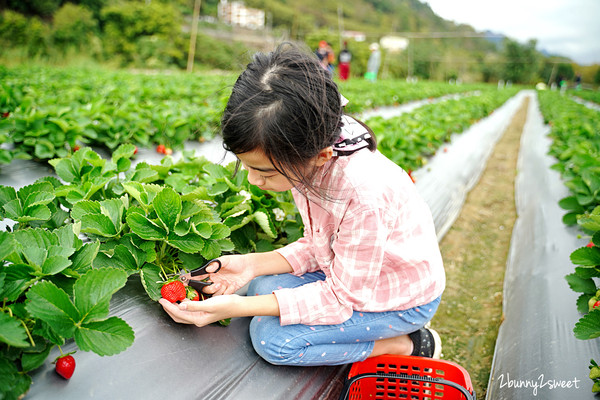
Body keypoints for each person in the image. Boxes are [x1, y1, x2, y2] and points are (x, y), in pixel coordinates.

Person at [160, 43, 446, 367]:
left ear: (319, 155)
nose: (252, 180)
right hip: (352, 277)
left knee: (274, 340)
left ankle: (407, 343)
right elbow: (318, 244)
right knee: (260, 286)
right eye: (248, 166)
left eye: (264, 171)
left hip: (400, 298)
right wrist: (252, 264)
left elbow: (342, 300)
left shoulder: (363, 195)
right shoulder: (312, 148)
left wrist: (235, 308)